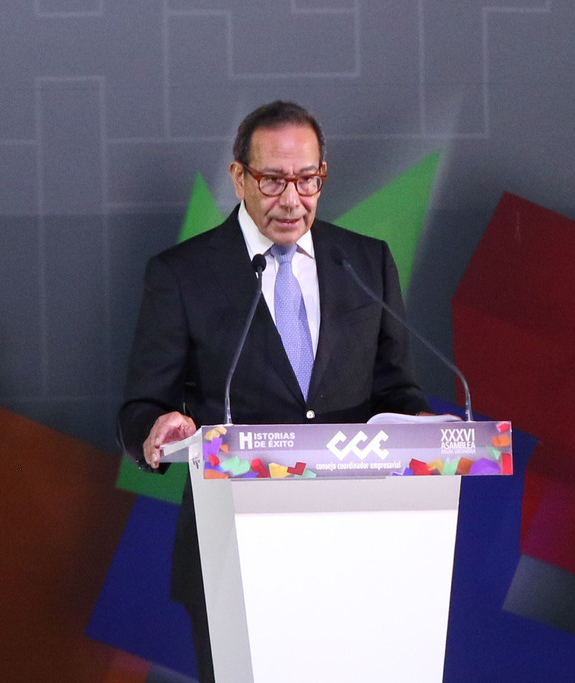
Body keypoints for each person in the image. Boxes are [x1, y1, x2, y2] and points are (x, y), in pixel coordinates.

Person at [116, 100, 430, 681]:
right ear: (238, 177)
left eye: (308, 180)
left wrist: (424, 432)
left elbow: (396, 391)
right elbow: (142, 405)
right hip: (232, 551)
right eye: (273, 180)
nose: (292, 199)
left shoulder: (366, 262)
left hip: (357, 551)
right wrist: (158, 429)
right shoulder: (183, 273)